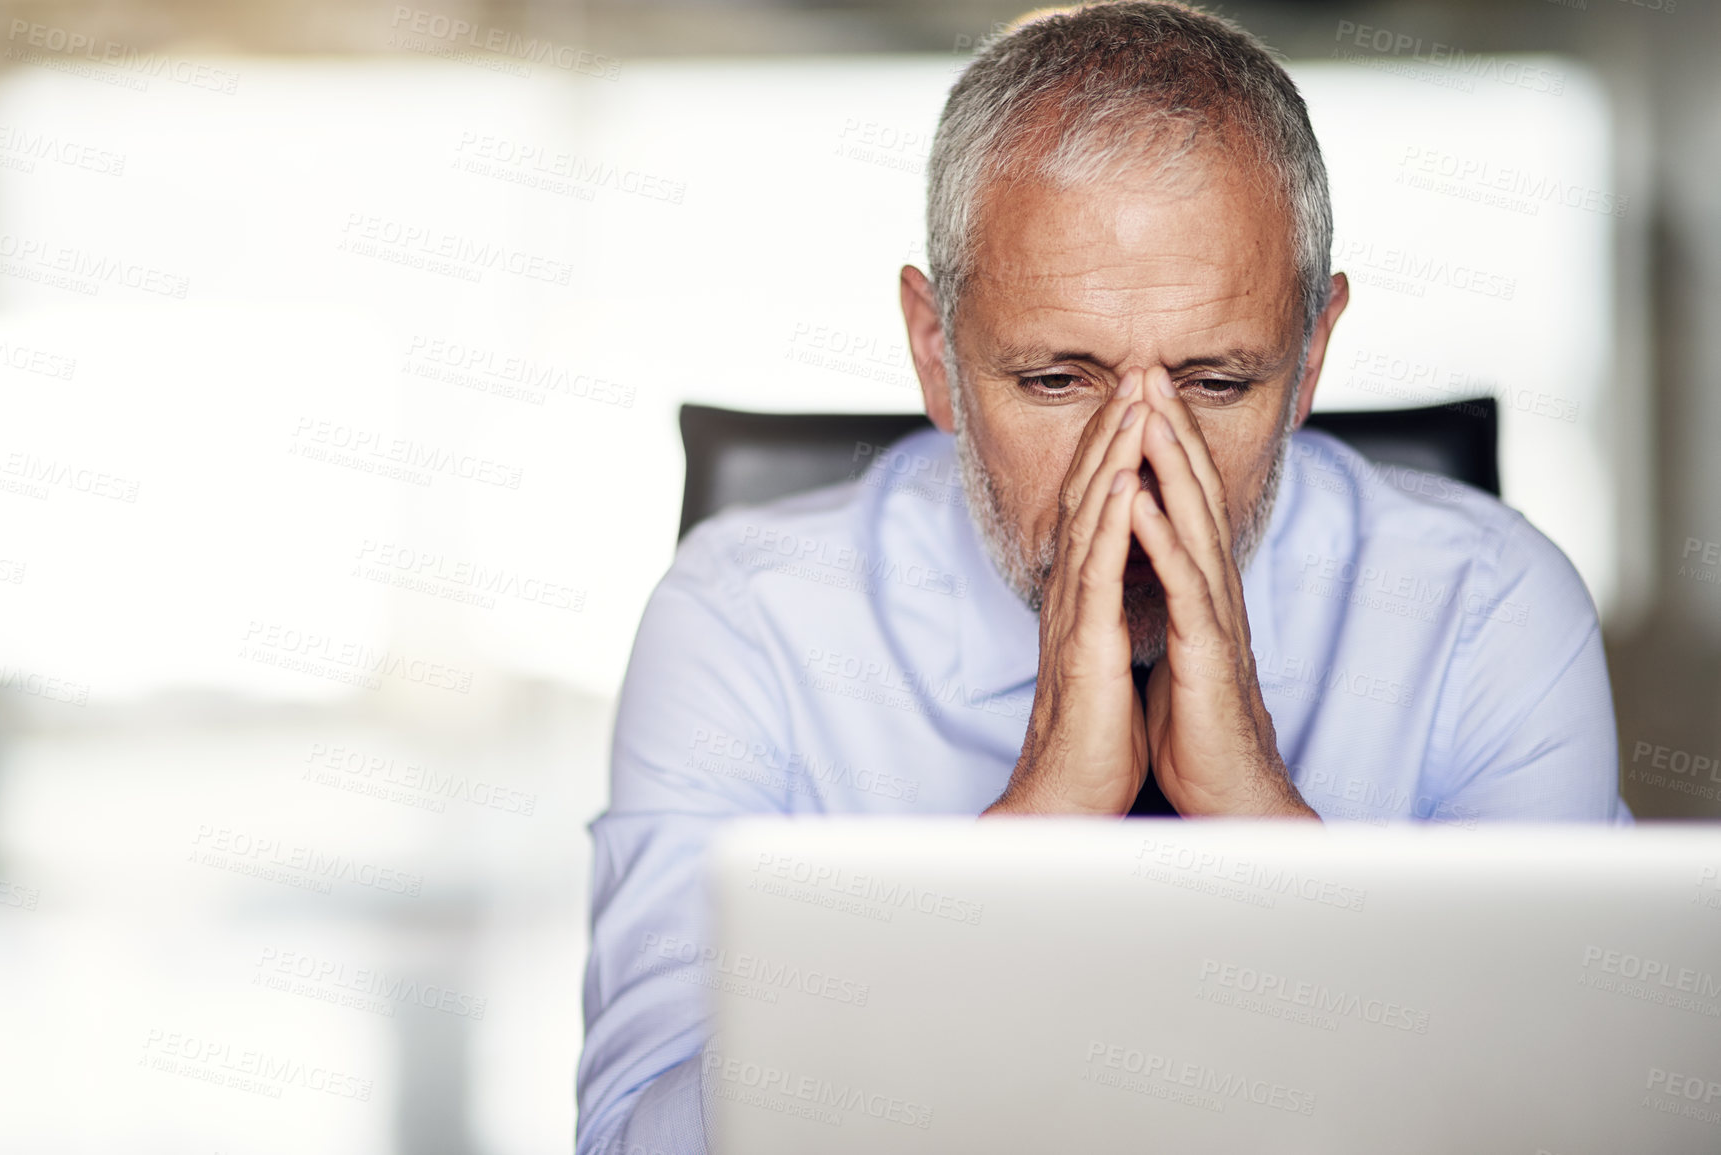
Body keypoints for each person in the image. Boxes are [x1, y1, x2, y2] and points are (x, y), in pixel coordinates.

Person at [575, 3, 1630, 1151]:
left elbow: (1581, 1122)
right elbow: (638, 1138)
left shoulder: (1490, 612)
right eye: (1056, 382)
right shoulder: (744, 623)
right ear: (936, 351)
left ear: (1313, 354)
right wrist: (1031, 837)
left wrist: (1263, 823)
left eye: (1217, 384)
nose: (1134, 468)